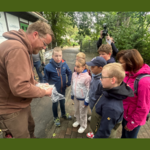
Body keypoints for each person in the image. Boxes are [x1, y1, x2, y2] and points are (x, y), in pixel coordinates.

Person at [0, 20, 54, 138]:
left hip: (20, 104)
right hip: (11, 109)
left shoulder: (22, 47)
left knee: (30, 130)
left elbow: (24, 78)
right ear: (35, 35)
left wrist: (38, 84)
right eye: (44, 43)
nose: (44, 48)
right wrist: (44, 91)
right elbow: (20, 87)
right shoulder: (17, 49)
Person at [90, 63, 134, 138]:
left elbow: (104, 133)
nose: (100, 79)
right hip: (97, 129)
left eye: (102, 77)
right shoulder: (109, 89)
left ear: (113, 80)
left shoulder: (111, 108)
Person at [116, 49, 150, 138]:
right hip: (125, 115)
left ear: (130, 63)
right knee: (124, 137)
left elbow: (143, 107)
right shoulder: (129, 73)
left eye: (121, 63)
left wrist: (132, 123)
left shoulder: (144, 82)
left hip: (133, 119)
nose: (119, 65)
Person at [43, 47, 72, 127]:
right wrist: (47, 88)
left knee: (62, 102)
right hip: (54, 90)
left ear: (62, 55)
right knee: (55, 104)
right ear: (52, 56)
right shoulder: (48, 67)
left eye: (60, 55)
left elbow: (69, 73)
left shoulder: (64, 64)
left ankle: (63, 114)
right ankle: (55, 117)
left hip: (63, 88)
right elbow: (45, 79)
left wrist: (69, 82)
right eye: (56, 56)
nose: (58, 58)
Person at [86, 56, 107, 138]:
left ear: (100, 68)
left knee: (98, 121)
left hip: (98, 106)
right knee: (94, 119)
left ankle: (96, 134)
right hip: (92, 103)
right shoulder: (94, 75)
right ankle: (95, 132)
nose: (91, 68)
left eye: (93, 67)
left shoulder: (101, 81)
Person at [71, 58, 91, 133]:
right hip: (76, 97)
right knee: (76, 111)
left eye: (78, 66)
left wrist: (87, 100)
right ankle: (78, 121)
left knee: (82, 112)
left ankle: (83, 125)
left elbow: (89, 89)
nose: (76, 68)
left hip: (83, 98)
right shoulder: (74, 74)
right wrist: (72, 94)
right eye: (75, 66)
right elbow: (72, 84)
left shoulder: (87, 77)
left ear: (83, 67)